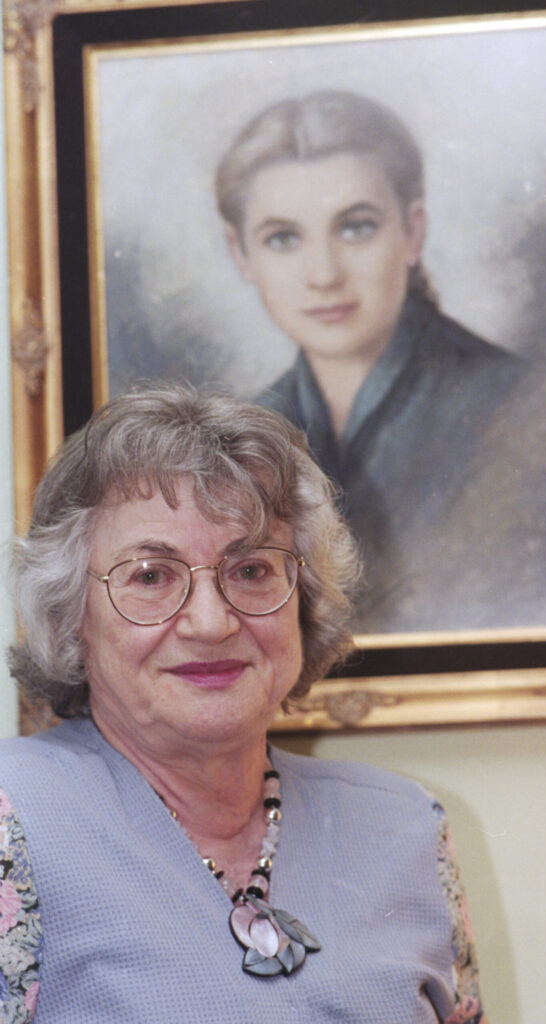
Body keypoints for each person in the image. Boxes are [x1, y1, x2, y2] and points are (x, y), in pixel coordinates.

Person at [0, 383, 486, 1023]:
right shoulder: (15, 823)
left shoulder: (408, 830)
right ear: (71, 617)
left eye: (251, 569)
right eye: (151, 575)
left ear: (303, 598)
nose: (211, 621)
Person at [215, 89, 546, 636]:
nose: (323, 273)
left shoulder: (525, 411)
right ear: (241, 255)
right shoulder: (239, 436)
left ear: (412, 232)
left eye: (356, 227)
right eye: (283, 238)